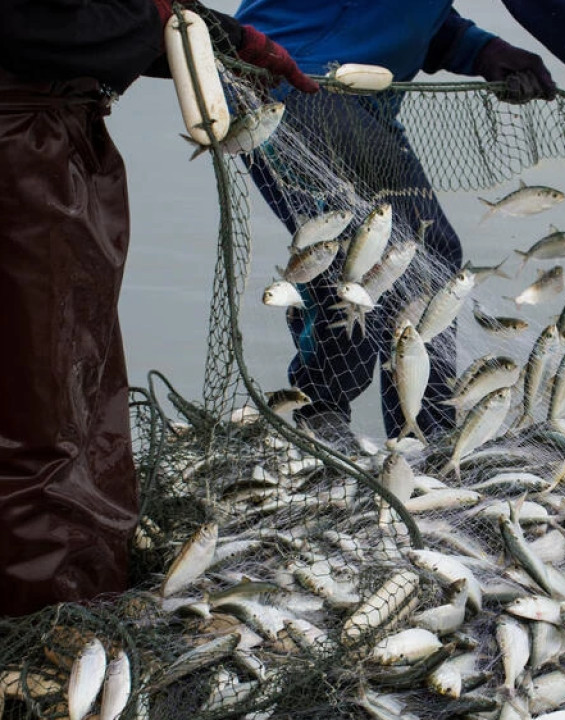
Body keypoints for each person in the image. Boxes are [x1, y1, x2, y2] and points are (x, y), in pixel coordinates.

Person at [236, 0, 565, 448]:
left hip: (342, 92)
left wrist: (475, 48)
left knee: (423, 259)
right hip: (297, 82)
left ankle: (424, 434)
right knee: (373, 260)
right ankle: (327, 419)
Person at [0, 0, 315, 617]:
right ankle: (48, 618)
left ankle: (76, 585)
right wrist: (161, 21)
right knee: (44, 402)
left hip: (46, 135)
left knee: (68, 378)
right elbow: (35, 25)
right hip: (21, 152)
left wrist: (218, 35)